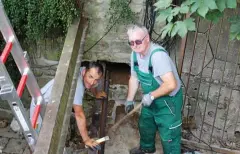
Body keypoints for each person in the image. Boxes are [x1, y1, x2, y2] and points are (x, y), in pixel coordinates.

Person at [125, 24, 183, 154]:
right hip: (151, 99)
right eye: (131, 42)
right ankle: (146, 149)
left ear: (147, 39)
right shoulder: (135, 55)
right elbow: (134, 78)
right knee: (145, 125)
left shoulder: (157, 56)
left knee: (169, 136)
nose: (135, 45)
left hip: (168, 102)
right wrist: (129, 100)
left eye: (138, 41)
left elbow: (170, 85)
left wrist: (151, 96)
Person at [30, 61, 106, 150]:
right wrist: (86, 140)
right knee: (40, 138)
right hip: (40, 107)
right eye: (90, 77)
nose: (92, 81)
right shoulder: (77, 86)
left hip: (54, 103)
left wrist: (96, 93)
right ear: (85, 71)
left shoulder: (84, 72)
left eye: (96, 79)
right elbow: (79, 115)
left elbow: (91, 84)